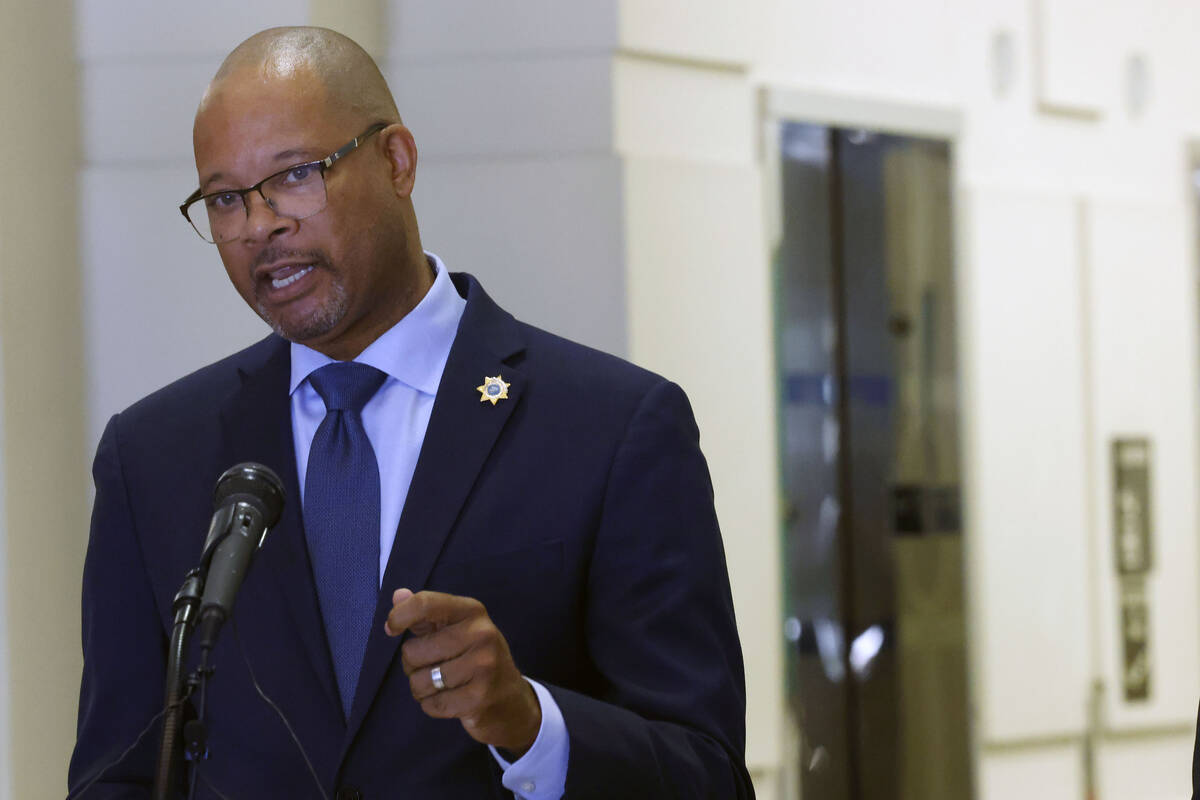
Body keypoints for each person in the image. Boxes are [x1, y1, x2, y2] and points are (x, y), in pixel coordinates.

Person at [68, 26, 752, 799]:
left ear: (397, 160)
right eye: (226, 199)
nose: (260, 226)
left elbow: (709, 777)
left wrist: (531, 726)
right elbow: (116, 776)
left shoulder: (612, 429)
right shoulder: (154, 457)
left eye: (295, 175)